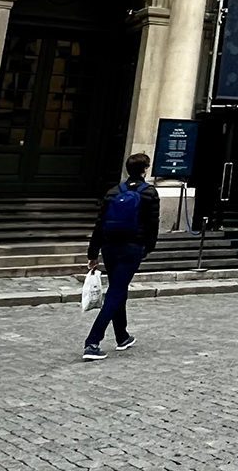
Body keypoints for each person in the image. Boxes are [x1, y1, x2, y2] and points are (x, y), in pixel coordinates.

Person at [83, 153, 160, 361]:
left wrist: (93, 253)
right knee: (116, 292)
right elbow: (153, 225)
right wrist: (148, 248)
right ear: (145, 169)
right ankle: (92, 342)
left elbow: (99, 225)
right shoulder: (150, 193)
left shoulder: (113, 192)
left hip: (109, 247)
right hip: (132, 247)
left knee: (119, 288)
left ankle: (122, 336)